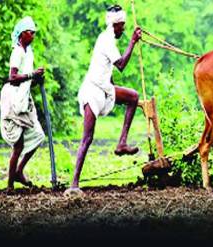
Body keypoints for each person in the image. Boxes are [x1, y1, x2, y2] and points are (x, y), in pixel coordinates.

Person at [65, 5, 142, 195]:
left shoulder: (108, 39)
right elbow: (121, 65)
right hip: (92, 91)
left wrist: (113, 89)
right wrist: (133, 41)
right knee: (87, 138)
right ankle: (74, 183)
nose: (124, 30)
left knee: (133, 97)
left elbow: (108, 69)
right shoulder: (106, 40)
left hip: (104, 89)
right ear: (115, 25)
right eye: (122, 26)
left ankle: (121, 143)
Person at [0, 16, 45, 192]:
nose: (33, 35)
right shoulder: (17, 52)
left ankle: (19, 170)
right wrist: (32, 75)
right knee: (18, 145)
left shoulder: (29, 52)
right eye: (30, 32)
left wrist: (36, 79)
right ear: (21, 35)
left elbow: (26, 80)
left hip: (24, 99)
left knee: (39, 135)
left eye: (34, 32)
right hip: (13, 99)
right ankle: (10, 185)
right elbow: (12, 77)